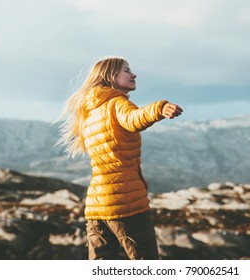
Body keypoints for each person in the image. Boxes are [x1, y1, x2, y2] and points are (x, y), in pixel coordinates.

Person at [55, 56, 183, 260]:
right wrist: (159, 108)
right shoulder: (116, 104)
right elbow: (134, 119)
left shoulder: (91, 112)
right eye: (126, 70)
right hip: (125, 202)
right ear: (110, 76)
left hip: (96, 207)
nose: (134, 74)